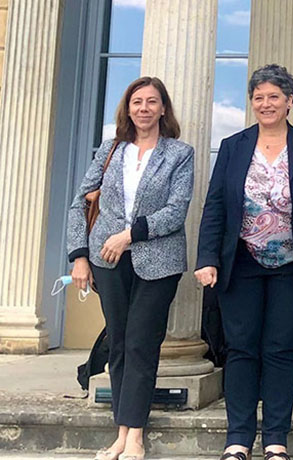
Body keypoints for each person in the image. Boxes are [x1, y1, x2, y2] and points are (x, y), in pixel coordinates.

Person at [195, 64, 293, 460]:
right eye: (259, 97)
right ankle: (237, 438)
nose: (266, 104)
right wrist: (207, 257)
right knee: (241, 349)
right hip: (241, 265)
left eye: (274, 97)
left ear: (289, 101)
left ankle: (275, 439)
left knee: (280, 349)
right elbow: (216, 206)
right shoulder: (234, 146)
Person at [66, 76, 194, 460]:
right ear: (127, 108)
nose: (144, 108)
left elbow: (176, 210)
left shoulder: (179, 154)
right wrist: (79, 256)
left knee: (141, 342)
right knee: (118, 342)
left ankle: (135, 434)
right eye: (137, 101)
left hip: (158, 260)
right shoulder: (111, 150)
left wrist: (128, 235)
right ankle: (120, 432)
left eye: (151, 102)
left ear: (163, 109)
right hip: (107, 261)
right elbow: (80, 204)